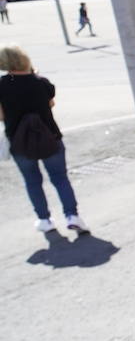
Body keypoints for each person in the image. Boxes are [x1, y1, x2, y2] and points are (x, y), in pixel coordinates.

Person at [0, 43, 88, 233]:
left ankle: (44, 219)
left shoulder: (2, 85)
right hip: (50, 137)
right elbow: (51, 103)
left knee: (32, 181)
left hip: (19, 141)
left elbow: (1, 115)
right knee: (60, 178)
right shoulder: (41, 82)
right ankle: (72, 216)